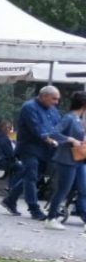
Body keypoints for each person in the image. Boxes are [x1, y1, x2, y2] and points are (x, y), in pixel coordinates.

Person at [4, 85, 68, 220]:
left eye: (57, 99)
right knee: (31, 177)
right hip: (29, 147)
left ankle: (10, 200)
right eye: (54, 99)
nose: (56, 102)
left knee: (33, 176)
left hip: (45, 150)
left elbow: (59, 127)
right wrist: (49, 139)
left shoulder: (53, 109)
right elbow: (36, 128)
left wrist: (68, 139)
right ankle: (34, 209)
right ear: (44, 96)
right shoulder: (29, 107)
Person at [43, 91, 86, 229]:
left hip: (78, 159)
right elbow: (53, 133)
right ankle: (51, 218)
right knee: (63, 190)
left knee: (83, 188)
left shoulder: (78, 119)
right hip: (67, 159)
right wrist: (71, 139)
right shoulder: (69, 118)